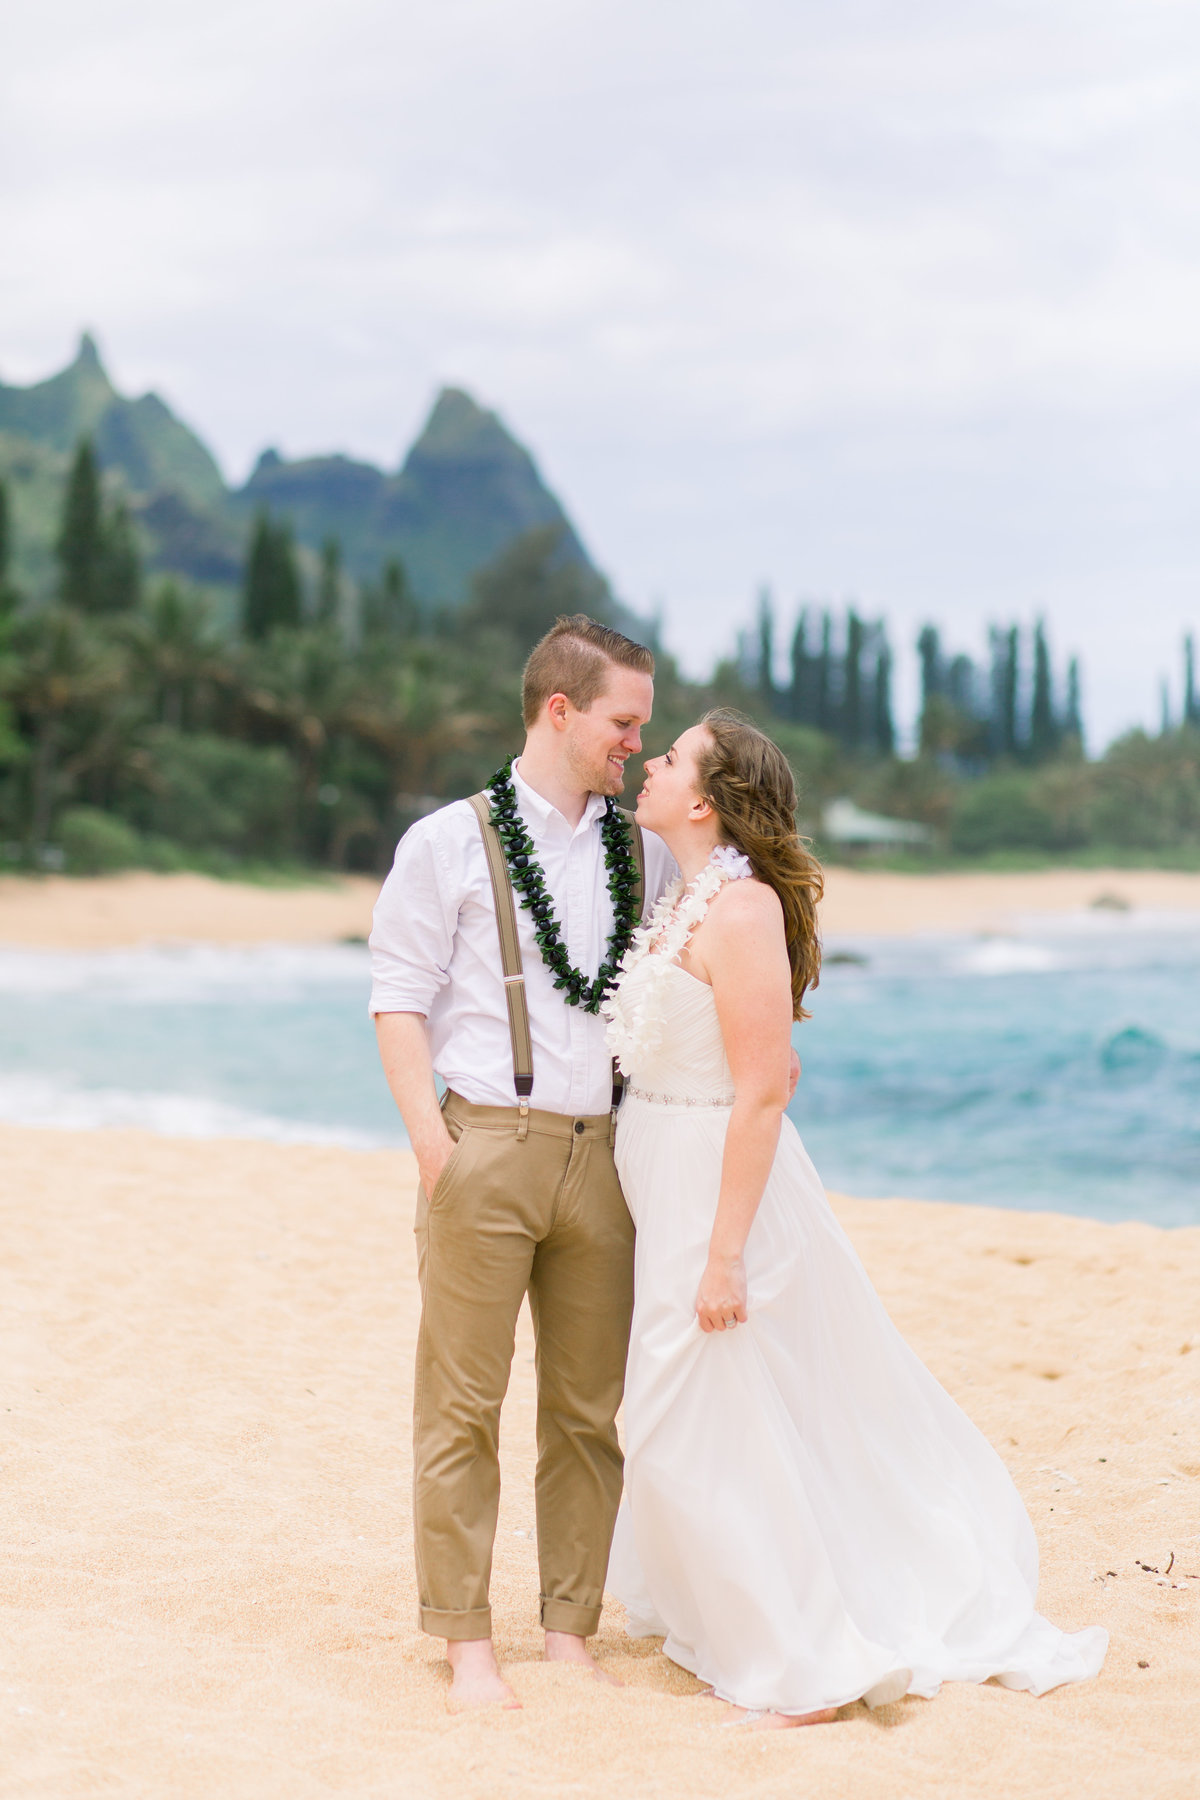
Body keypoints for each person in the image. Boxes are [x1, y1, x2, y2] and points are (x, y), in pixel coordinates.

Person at [601, 708, 1108, 1728]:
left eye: (667, 758)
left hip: (717, 1186)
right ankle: (734, 1624)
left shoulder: (738, 913)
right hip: (663, 1171)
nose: (647, 767)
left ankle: (796, 1655)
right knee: (707, 1411)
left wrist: (726, 1255)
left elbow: (762, 1090)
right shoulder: (683, 896)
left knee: (686, 1410)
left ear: (703, 798)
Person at [368, 614, 677, 1710]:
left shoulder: (640, 851)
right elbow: (397, 1000)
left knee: (587, 1413)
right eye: (623, 722)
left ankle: (569, 1632)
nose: (637, 743)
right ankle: (465, 1643)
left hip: (606, 1158)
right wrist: (433, 1146)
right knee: (461, 1405)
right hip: (485, 1147)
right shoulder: (447, 842)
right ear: (561, 710)